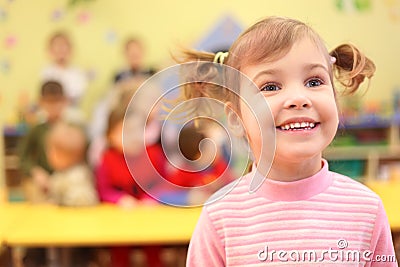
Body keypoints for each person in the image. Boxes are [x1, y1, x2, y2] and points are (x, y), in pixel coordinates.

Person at [177, 16, 396, 266]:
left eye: (314, 82)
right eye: (270, 86)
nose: (298, 98)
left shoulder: (366, 208)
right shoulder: (221, 217)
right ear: (236, 118)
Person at [96, 101, 164, 267]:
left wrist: (151, 198)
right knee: (119, 250)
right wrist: (119, 199)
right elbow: (103, 190)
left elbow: (164, 184)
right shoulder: (106, 159)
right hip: (119, 220)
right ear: (109, 136)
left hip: (150, 220)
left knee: (154, 247)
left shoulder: (154, 155)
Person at [18, 80, 68, 203]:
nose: (53, 107)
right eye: (48, 102)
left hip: (66, 178)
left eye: (57, 101)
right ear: (41, 102)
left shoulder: (72, 129)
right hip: (43, 180)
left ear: (64, 101)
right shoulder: (36, 130)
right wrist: (36, 172)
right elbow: (23, 158)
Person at [46, 120, 98, 207]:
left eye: (52, 152)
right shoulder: (61, 173)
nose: (49, 155)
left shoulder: (77, 176)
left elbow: (83, 199)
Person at [41, 31, 88, 106]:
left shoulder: (78, 73)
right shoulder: (46, 72)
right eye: (57, 45)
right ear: (51, 50)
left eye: (64, 45)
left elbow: (77, 96)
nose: (61, 49)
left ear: (70, 49)